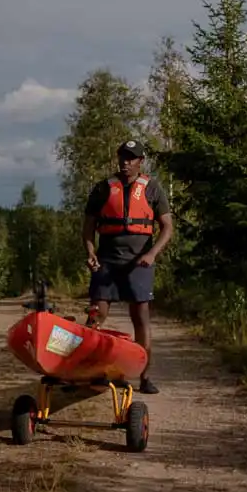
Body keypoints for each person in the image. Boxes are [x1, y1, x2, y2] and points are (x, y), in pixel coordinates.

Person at [81, 138, 174, 395]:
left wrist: (153, 253)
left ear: (140, 162)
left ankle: (145, 376)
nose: (125, 162)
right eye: (122, 157)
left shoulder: (153, 189)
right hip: (106, 260)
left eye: (131, 158)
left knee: (140, 317)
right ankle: (93, 372)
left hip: (139, 263)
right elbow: (88, 227)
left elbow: (167, 227)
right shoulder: (103, 188)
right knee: (95, 315)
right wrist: (90, 252)